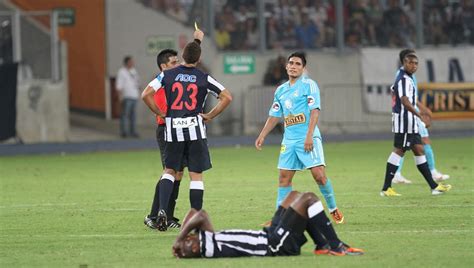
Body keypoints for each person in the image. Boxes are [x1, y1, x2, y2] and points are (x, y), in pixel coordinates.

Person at [141, 35, 233, 231]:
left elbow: (145, 94)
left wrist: (159, 112)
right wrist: (210, 115)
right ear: (199, 59)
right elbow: (227, 97)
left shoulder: (168, 75)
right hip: (195, 129)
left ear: (182, 56)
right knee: (196, 175)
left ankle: (162, 211)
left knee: (169, 171)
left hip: (173, 129)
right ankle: (195, 217)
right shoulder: (203, 78)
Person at [255, 52, 344, 224]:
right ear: (286, 67)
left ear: (303, 68)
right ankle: (278, 218)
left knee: (319, 175)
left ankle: (333, 209)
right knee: (284, 178)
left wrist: (309, 136)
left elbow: (314, 111)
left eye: (297, 64)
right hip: (289, 141)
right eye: (291, 63)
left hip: (307, 137)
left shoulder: (309, 85)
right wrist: (262, 134)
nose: (293, 66)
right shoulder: (280, 90)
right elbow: (274, 115)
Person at [172, 191, 364, 258]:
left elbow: (193, 214)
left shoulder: (207, 239)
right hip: (275, 244)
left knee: (293, 196)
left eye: (188, 240)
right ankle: (337, 247)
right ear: (197, 248)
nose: (190, 242)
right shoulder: (208, 247)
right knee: (308, 199)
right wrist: (179, 240)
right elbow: (200, 215)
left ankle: (322, 246)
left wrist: (180, 241)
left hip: (269, 235)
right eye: (189, 245)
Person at [144, 30, 204, 230]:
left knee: (175, 173)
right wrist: (161, 114)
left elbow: (191, 57)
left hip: (178, 132)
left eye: (178, 61)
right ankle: (155, 215)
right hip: (167, 132)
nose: (177, 65)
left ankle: (165, 215)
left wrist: (197, 41)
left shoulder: (172, 78)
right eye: (173, 63)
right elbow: (161, 106)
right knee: (169, 172)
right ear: (164, 67)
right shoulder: (163, 83)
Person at [380, 52, 451, 197]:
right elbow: (405, 101)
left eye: (416, 63)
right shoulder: (403, 79)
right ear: (404, 63)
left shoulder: (408, 77)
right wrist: (421, 115)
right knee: (399, 151)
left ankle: (434, 186)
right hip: (405, 121)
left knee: (419, 150)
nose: (413, 66)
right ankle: (386, 188)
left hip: (410, 121)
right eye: (410, 63)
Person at [116, 56, 140, 138]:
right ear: (126, 63)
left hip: (134, 96)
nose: (132, 63)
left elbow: (137, 82)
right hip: (127, 96)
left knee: (133, 116)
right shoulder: (122, 72)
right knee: (125, 115)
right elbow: (119, 85)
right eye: (131, 62)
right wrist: (120, 96)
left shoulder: (134, 71)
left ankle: (132, 131)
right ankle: (124, 132)